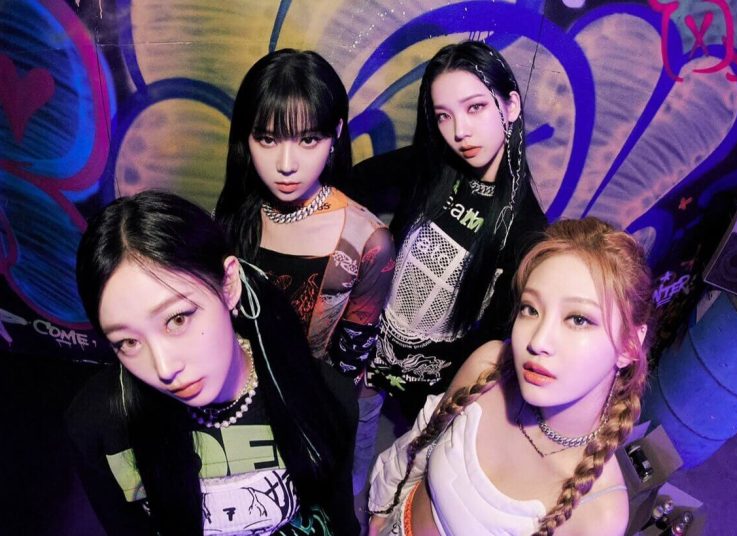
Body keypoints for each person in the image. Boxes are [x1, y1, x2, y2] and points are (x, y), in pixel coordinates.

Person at [67, 190, 359, 535]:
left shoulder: (324, 396)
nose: (164, 368)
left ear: (229, 284)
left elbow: (337, 518)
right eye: (128, 342)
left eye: (177, 319)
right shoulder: (97, 424)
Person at [368, 217, 654, 536]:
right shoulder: (489, 365)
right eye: (531, 309)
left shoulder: (600, 513)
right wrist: (382, 512)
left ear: (630, 344)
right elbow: (421, 443)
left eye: (578, 319)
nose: (538, 341)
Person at [213, 49, 395, 524]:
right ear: (245, 137)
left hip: (313, 414)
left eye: (308, 138)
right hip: (233, 404)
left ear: (336, 135)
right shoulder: (235, 214)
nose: (286, 164)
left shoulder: (366, 241)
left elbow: (350, 367)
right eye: (267, 138)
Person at [354, 41, 547, 421]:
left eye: (475, 107)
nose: (459, 131)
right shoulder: (431, 166)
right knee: (360, 421)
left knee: (409, 448)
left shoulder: (526, 229)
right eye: (443, 116)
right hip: (373, 350)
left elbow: (493, 340)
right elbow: (355, 183)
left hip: (435, 389)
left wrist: (450, 403)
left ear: (511, 106)